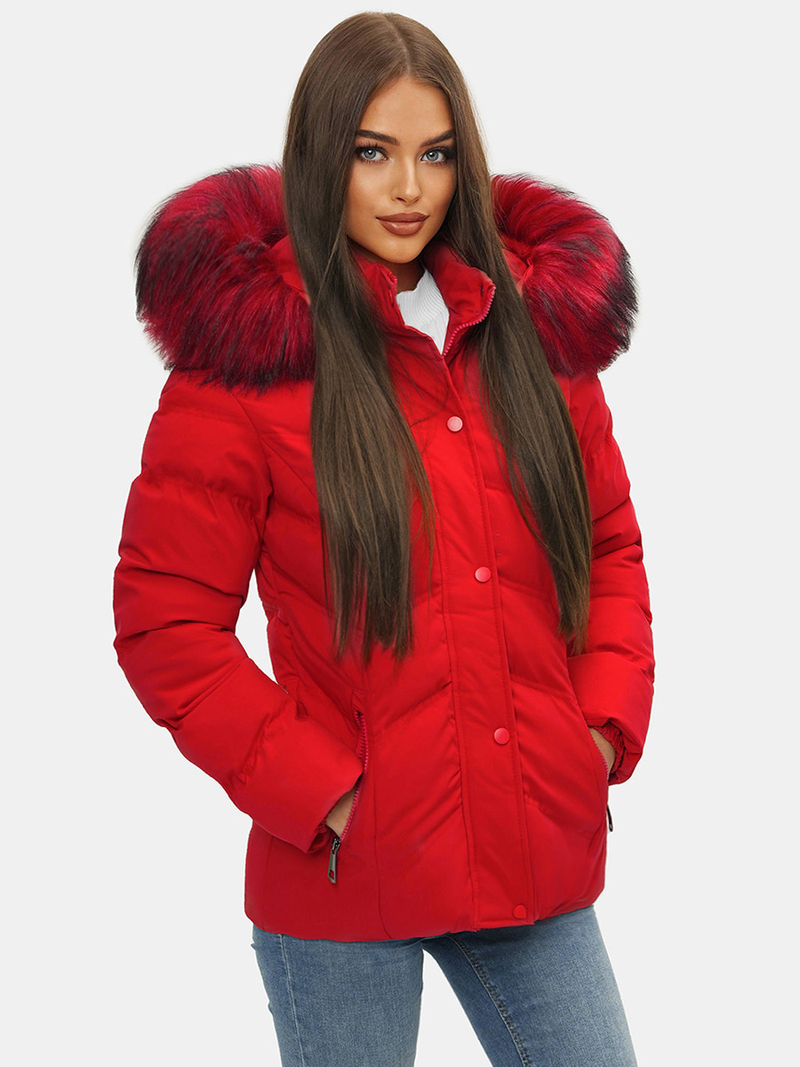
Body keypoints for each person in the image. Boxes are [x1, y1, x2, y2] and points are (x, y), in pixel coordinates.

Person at [114, 11, 655, 1066]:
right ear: (323, 155)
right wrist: (323, 791)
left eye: (435, 154)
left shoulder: (530, 334)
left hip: (530, 855)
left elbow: (609, 548)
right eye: (373, 153)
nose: (409, 188)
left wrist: (594, 733)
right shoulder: (250, 363)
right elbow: (164, 622)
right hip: (341, 875)